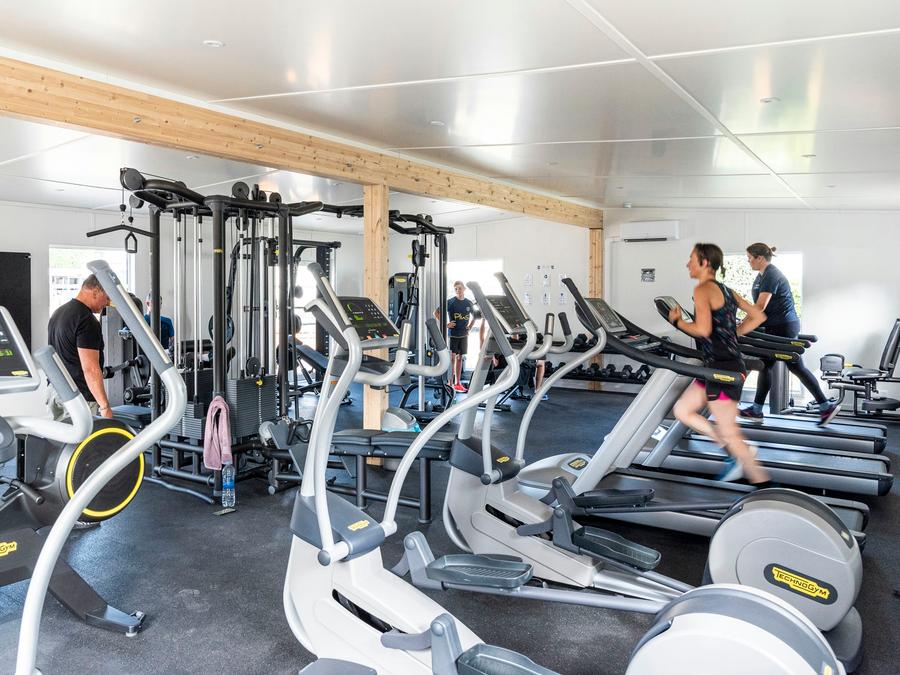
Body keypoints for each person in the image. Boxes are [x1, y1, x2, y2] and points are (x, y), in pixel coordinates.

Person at [667, 243, 770, 485]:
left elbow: (702, 330)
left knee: (728, 430)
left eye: (691, 259)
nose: (687, 264)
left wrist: (677, 322)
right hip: (717, 365)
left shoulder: (703, 289)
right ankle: (734, 451)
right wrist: (734, 333)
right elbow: (758, 315)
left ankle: (762, 484)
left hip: (723, 369)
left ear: (704, 263)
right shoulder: (726, 290)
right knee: (683, 410)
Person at [739, 243, 839, 426]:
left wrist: (740, 327)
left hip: (783, 328)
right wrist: (742, 323)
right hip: (774, 327)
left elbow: (759, 307)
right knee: (765, 365)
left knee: (793, 366)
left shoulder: (771, 274)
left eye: (750, 258)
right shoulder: (762, 276)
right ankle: (757, 410)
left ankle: (825, 406)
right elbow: (759, 308)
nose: (748, 261)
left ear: (759, 258)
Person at [47, 274, 112, 419]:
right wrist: (104, 406)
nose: (107, 303)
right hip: (78, 397)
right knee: (86, 435)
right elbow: (90, 369)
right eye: (107, 297)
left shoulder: (58, 313)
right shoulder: (87, 321)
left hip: (55, 391)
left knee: (59, 434)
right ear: (96, 291)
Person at [436, 281, 477, 392]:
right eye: (456, 289)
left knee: (460, 358)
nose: (458, 290)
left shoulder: (468, 303)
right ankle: (450, 383)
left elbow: (476, 316)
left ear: (464, 289)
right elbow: (436, 313)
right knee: (452, 358)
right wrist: (446, 325)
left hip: (464, 335)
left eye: (460, 288)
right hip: (453, 334)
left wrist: (470, 326)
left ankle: (457, 383)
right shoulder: (451, 302)